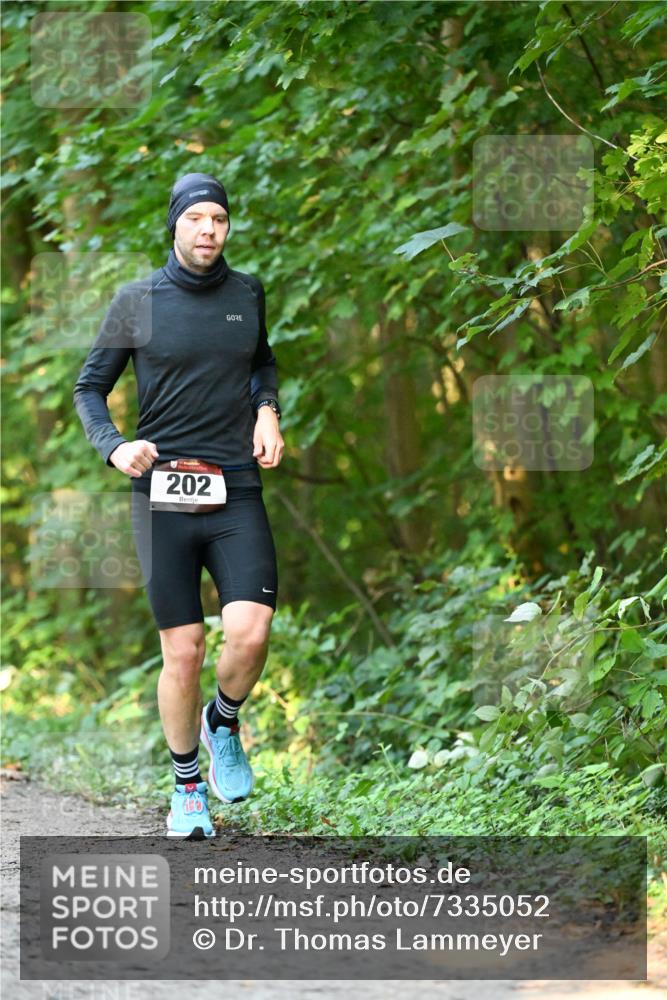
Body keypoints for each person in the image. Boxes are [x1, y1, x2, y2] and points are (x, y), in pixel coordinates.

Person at [73, 172, 284, 839]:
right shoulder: (136, 300)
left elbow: (261, 364)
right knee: (185, 649)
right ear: (175, 224)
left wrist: (267, 411)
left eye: (219, 219)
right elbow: (89, 388)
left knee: (250, 631)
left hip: (233, 485)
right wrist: (113, 446)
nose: (208, 230)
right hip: (161, 492)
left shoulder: (246, 293)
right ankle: (186, 787)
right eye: (196, 219)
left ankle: (222, 720)